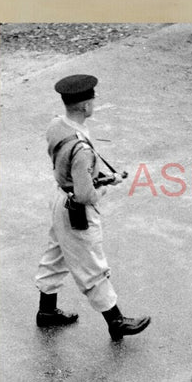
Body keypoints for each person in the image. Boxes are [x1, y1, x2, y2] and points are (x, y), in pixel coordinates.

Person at [35, 74, 150, 341]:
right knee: (92, 266)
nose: (94, 103)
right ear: (85, 106)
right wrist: (107, 186)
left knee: (55, 255)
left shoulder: (56, 125)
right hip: (76, 210)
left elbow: (69, 167)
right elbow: (86, 195)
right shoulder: (82, 148)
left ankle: (47, 312)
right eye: (92, 100)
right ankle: (116, 321)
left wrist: (93, 177)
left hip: (59, 199)